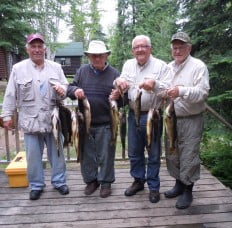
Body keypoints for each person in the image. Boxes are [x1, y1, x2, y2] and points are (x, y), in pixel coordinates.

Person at [1, 33, 69, 200]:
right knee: (32, 157)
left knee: (58, 153)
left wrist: (63, 89)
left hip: (53, 121)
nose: (37, 50)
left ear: (44, 49)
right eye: (33, 46)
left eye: (40, 46)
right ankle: (36, 185)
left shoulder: (56, 67)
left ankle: (59, 182)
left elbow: (66, 88)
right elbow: (10, 95)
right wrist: (7, 115)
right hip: (30, 121)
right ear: (28, 49)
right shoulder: (18, 68)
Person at [114, 35, 170, 203]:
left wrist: (156, 84)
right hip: (133, 114)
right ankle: (138, 181)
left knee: (153, 152)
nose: (140, 49)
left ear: (150, 48)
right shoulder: (128, 65)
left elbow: (168, 89)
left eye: (143, 46)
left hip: (153, 114)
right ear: (133, 50)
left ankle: (153, 186)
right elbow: (120, 81)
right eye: (137, 47)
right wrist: (119, 82)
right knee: (134, 152)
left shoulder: (161, 66)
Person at [67, 40, 120, 198]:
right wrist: (75, 90)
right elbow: (69, 88)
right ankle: (91, 181)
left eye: (99, 55)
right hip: (84, 123)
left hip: (106, 122)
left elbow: (123, 102)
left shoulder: (114, 74)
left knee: (106, 155)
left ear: (106, 55)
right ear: (89, 56)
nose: (96, 58)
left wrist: (118, 96)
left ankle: (105, 183)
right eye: (93, 56)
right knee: (87, 155)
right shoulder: (82, 71)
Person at [164, 32, 210, 209]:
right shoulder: (168, 67)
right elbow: (164, 89)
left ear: (189, 48)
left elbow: (203, 93)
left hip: (191, 119)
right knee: (172, 152)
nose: (177, 50)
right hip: (171, 118)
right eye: (175, 47)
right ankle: (178, 184)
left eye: (181, 47)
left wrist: (181, 91)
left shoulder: (198, 66)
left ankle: (188, 190)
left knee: (189, 154)